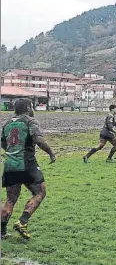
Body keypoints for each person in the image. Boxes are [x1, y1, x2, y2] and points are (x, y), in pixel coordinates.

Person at [1, 98, 56, 239]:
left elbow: (3, 143)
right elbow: (38, 140)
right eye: (32, 106)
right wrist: (50, 153)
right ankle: (23, 221)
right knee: (40, 192)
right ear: (28, 107)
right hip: (27, 164)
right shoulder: (30, 121)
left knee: (10, 199)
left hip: (10, 164)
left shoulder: (6, 123)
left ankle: (1, 232)